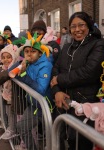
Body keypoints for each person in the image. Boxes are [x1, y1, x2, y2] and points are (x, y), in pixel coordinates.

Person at [50, 11, 104, 150]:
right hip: (63, 103)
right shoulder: (67, 47)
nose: (77, 29)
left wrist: (60, 80)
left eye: (81, 25)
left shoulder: (98, 45)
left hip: (85, 106)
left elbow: (89, 72)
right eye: (73, 26)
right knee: (59, 138)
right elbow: (55, 71)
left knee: (80, 143)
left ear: (89, 27)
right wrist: (57, 92)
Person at [12, 32, 54, 150]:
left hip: (43, 105)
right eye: (26, 51)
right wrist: (21, 64)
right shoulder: (29, 63)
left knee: (49, 134)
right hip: (33, 103)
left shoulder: (45, 65)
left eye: (33, 51)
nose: (29, 54)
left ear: (39, 53)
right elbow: (13, 73)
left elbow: (41, 89)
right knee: (23, 127)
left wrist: (23, 74)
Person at [0, 44, 21, 139]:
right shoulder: (3, 68)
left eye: (8, 57)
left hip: (13, 97)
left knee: (12, 114)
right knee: (8, 112)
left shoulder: (15, 68)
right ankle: (11, 128)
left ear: (13, 57)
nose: (5, 60)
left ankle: (12, 130)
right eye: (3, 57)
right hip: (6, 95)